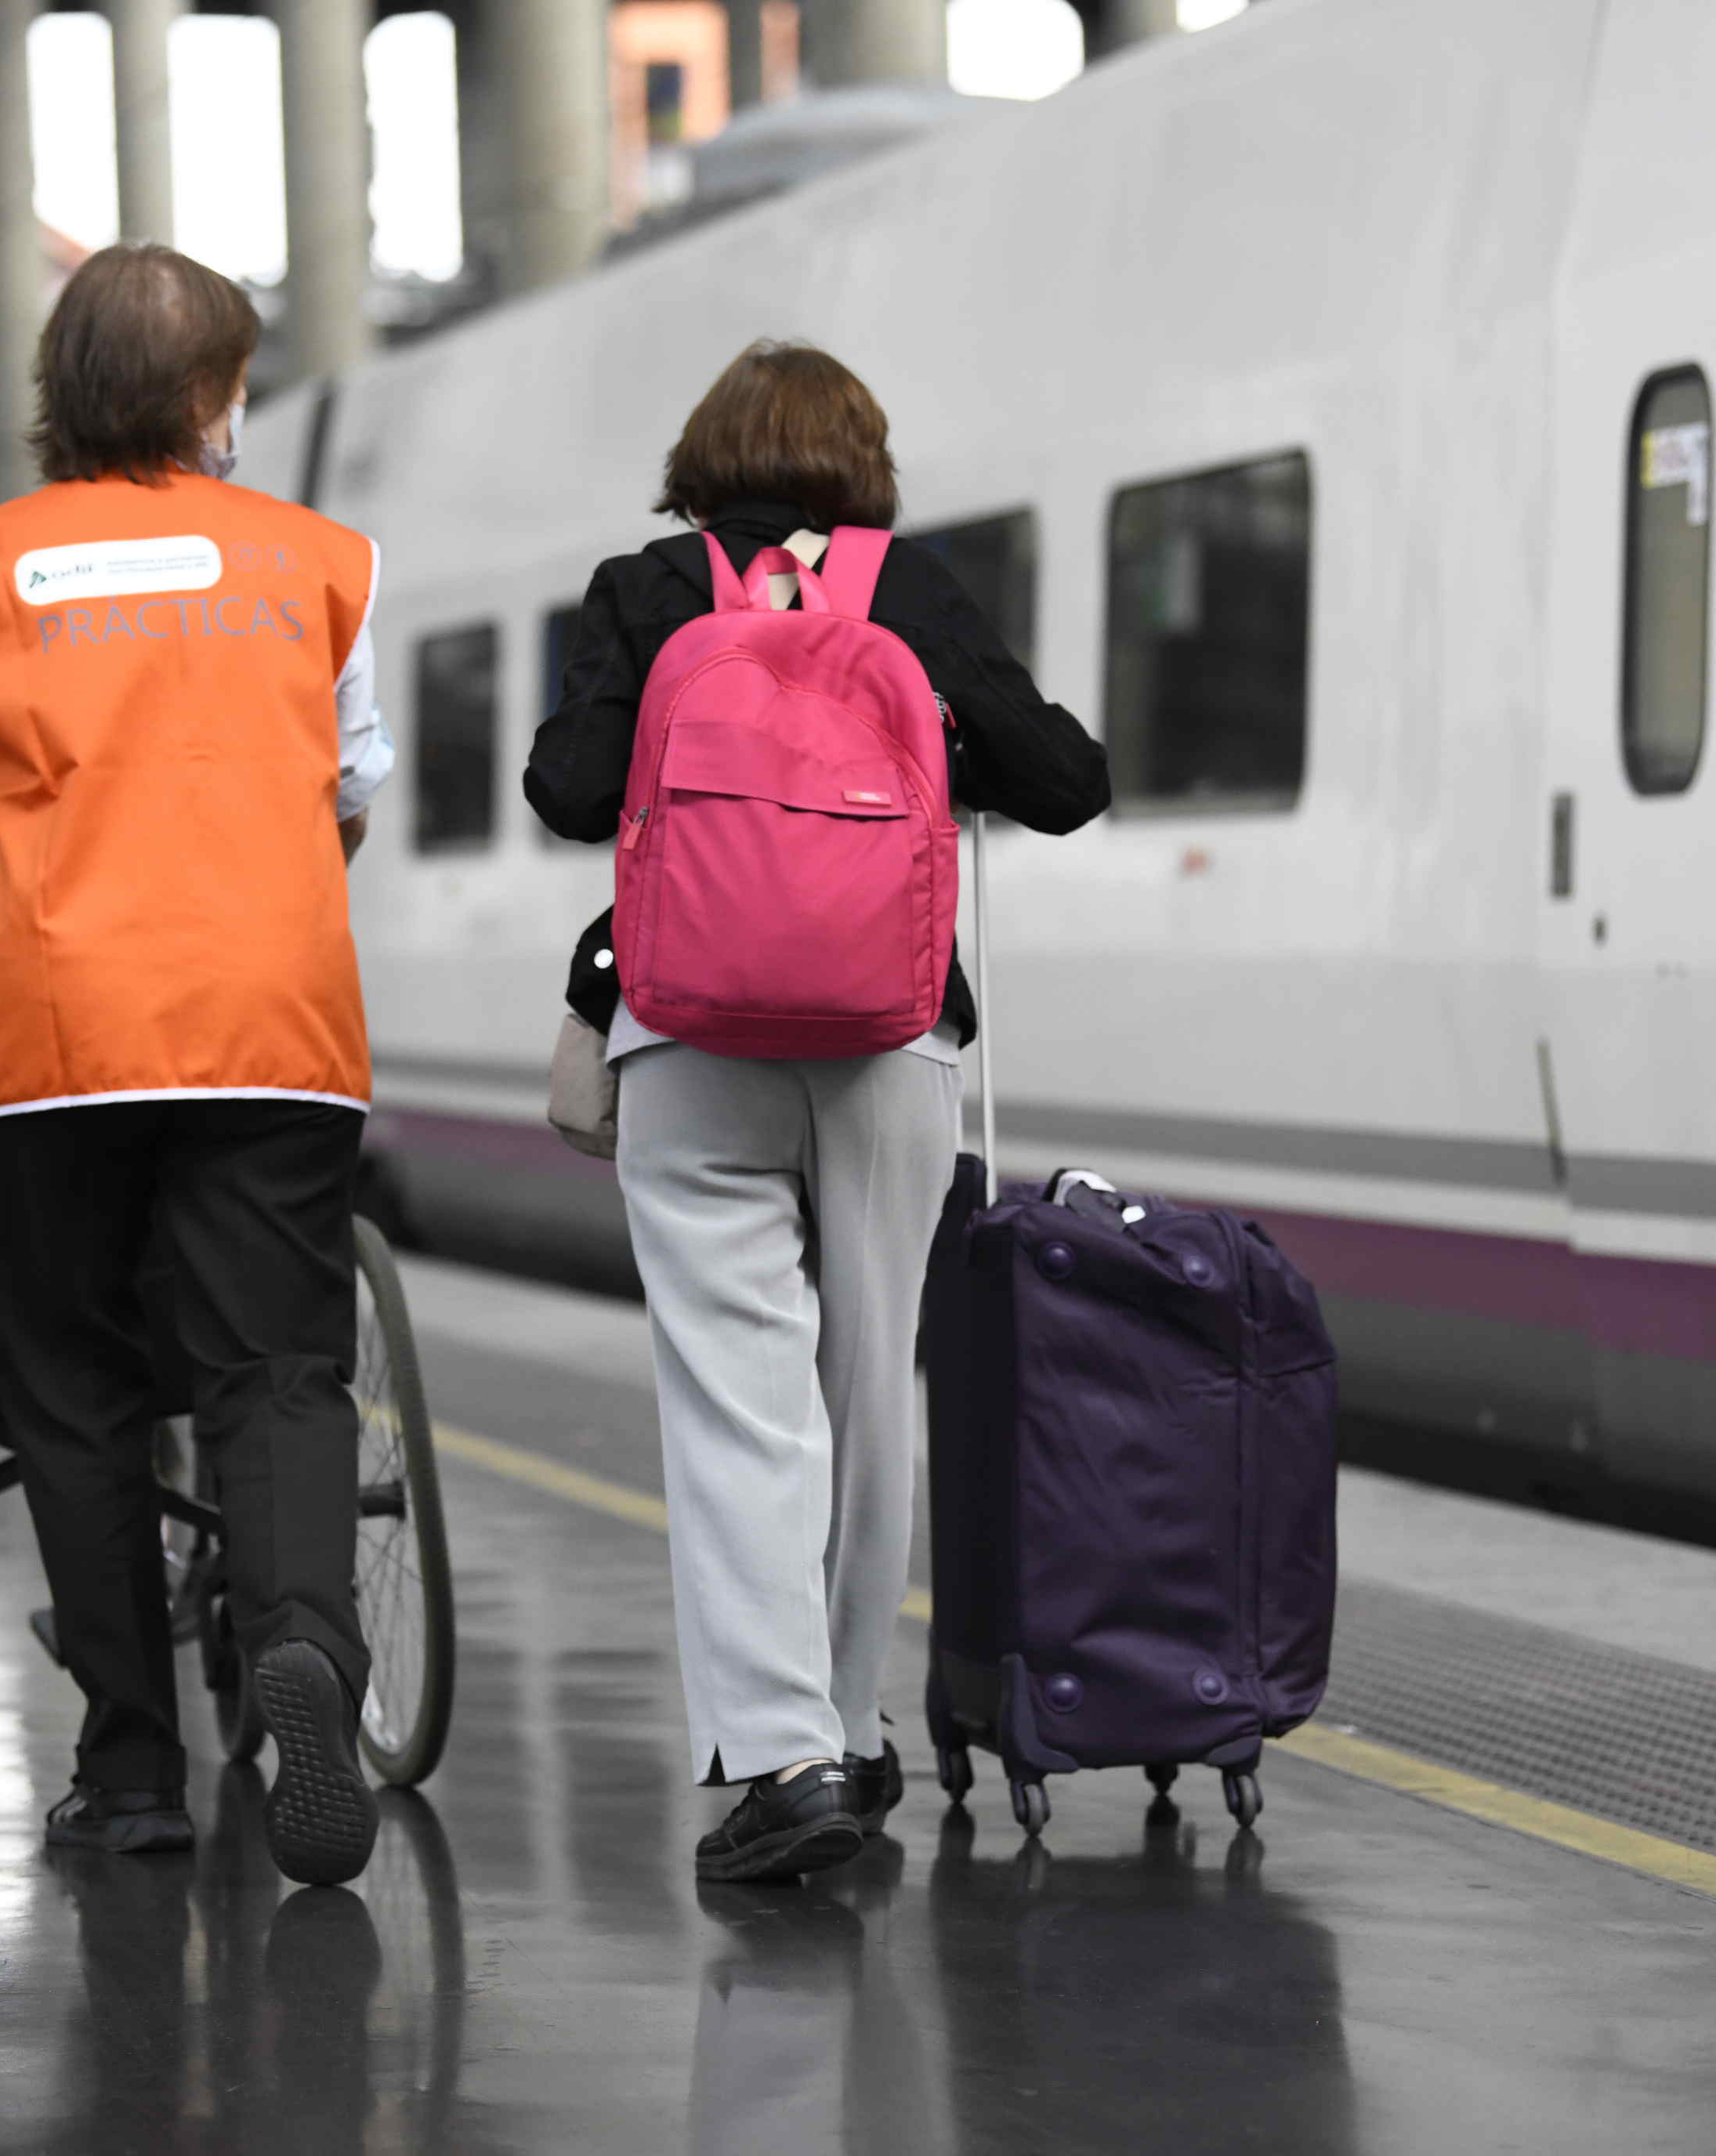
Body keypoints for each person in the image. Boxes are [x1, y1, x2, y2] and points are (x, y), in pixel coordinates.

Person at [524, 342, 1110, 1881]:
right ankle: (846, 1729)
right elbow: (1069, 779)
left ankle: (783, 1753)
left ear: (701, 460)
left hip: (688, 1038)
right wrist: (932, 729)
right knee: (871, 1391)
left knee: (737, 1392)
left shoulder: (649, 590)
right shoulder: (908, 589)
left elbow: (570, 787)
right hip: (896, 1038)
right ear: (865, 467)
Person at [0, 244, 393, 1887]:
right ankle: (303, 1639)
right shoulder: (323, 564)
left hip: (56, 1041)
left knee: (73, 1387)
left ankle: (131, 1766)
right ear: (218, 399)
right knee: (279, 1371)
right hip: (272, 1029)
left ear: (61, 397)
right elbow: (349, 793)